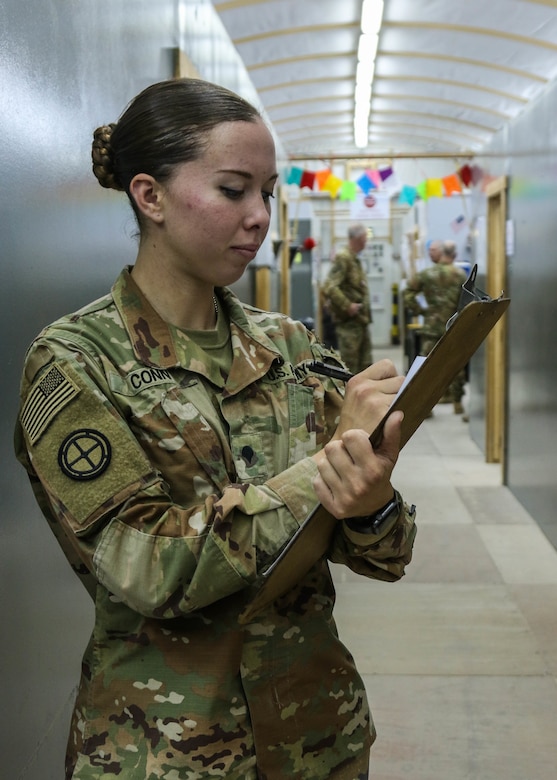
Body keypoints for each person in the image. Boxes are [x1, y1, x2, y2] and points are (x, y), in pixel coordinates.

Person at [14, 78, 417, 780]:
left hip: (317, 737)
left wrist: (371, 494)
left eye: (268, 191)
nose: (260, 215)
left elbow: (386, 555)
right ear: (150, 196)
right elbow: (150, 569)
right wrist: (325, 467)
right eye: (233, 190)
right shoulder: (76, 361)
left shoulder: (292, 347)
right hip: (162, 751)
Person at [404, 239, 467, 415]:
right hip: (453, 326)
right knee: (456, 364)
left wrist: (422, 311)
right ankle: (457, 402)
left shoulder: (427, 274)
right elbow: (467, 301)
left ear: (441, 254)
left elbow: (407, 293)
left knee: (427, 367)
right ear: (454, 255)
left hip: (431, 327)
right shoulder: (460, 275)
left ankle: (425, 407)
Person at [322, 223, 372, 374]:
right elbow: (329, 286)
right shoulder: (344, 258)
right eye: (364, 238)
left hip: (360, 322)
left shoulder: (354, 259)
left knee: (365, 368)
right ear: (357, 238)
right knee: (350, 370)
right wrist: (347, 306)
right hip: (348, 325)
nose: (366, 241)